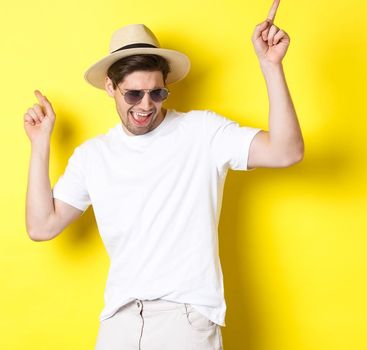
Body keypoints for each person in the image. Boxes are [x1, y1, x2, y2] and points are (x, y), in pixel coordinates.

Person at [23, 1, 302, 348]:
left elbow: (286, 151)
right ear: (111, 87)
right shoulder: (93, 156)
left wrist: (270, 66)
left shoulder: (202, 132)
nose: (145, 105)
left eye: (157, 92)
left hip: (185, 320)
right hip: (119, 322)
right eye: (133, 94)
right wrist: (41, 144)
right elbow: (41, 226)